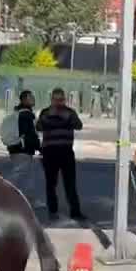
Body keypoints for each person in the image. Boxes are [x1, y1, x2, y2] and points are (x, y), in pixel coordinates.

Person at [36, 88, 85, 222]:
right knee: (51, 183)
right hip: (50, 152)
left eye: (61, 100)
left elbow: (79, 125)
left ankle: (75, 211)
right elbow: (39, 127)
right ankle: (53, 210)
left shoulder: (69, 112)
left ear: (64, 100)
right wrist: (49, 117)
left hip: (66, 151)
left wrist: (66, 117)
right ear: (51, 100)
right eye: (56, 100)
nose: (58, 103)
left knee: (70, 183)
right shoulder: (45, 112)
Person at [0, 90, 39, 191]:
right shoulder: (26, 115)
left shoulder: (19, 113)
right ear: (24, 100)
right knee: (19, 174)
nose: (33, 99)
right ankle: (3, 190)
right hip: (23, 150)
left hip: (16, 148)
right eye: (31, 97)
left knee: (27, 176)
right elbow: (30, 134)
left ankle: (29, 199)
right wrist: (40, 147)